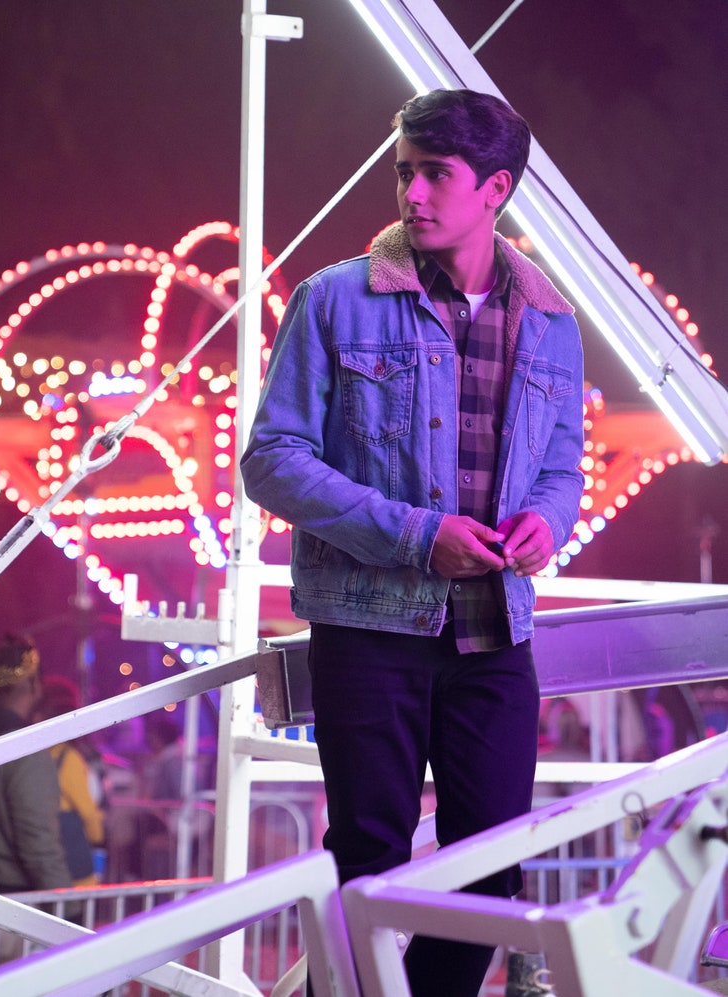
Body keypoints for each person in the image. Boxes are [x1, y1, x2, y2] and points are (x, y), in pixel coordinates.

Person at [241, 88, 584, 996]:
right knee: (367, 862)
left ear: (495, 189)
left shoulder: (552, 320)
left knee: (492, 875)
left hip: (494, 636)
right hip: (369, 631)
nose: (413, 193)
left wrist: (550, 519)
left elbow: (564, 467)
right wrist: (417, 535)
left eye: (436, 174)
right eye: (405, 172)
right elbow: (271, 461)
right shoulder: (331, 300)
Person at [0, 635, 72, 969]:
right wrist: (69, 909)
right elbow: (38, 845)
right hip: (7, 907)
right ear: (34, 683)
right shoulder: (25, 749)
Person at [38, 675, 106, 886]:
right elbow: (86, 810)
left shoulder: (37, 753)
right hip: (72, 851)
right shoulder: (68, 757)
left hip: (44, 849)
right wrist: (98, 836)